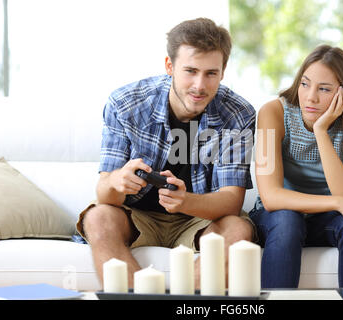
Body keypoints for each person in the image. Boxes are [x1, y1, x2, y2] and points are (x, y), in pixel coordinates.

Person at [76, 18, 256, 289]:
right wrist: (116, 181)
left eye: (210, 73)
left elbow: (230, 201)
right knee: (98, 217)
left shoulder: (237, 114)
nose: (199, 85)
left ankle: (185, 303)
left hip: (199, 218)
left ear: (223, 71)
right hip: (136, 216)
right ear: (169, 66)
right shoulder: (125, 104)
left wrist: (185, 202)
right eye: (190, 71)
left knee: (238, 229)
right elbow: (105, 194)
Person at [249, 44, 343, 289]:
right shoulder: (272, 113)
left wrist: (321, 130)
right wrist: (338, 203)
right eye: (305, 84)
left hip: (327, 219)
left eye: (324, 89)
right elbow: (271, 197)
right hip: (278, 216)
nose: (310, 97)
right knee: (287, 222)